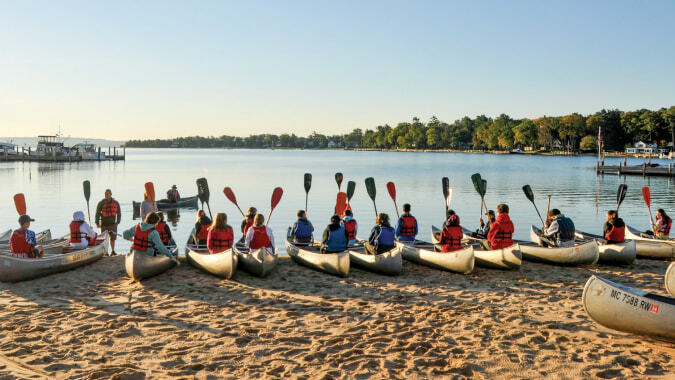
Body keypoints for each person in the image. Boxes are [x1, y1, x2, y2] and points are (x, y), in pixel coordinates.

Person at [95, 189, 121, 256]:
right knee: (104, 240)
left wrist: (118, 222)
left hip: (113, 224)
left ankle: (113, 251)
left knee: (113, 238)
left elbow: (119, 213)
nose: (107, 195)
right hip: (104, 224)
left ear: (111, 194)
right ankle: (106, 252)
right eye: (106, 194)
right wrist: (97, 222)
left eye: (108, 194)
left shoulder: (116, 203)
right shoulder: (101, 203)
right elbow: (97, 213)